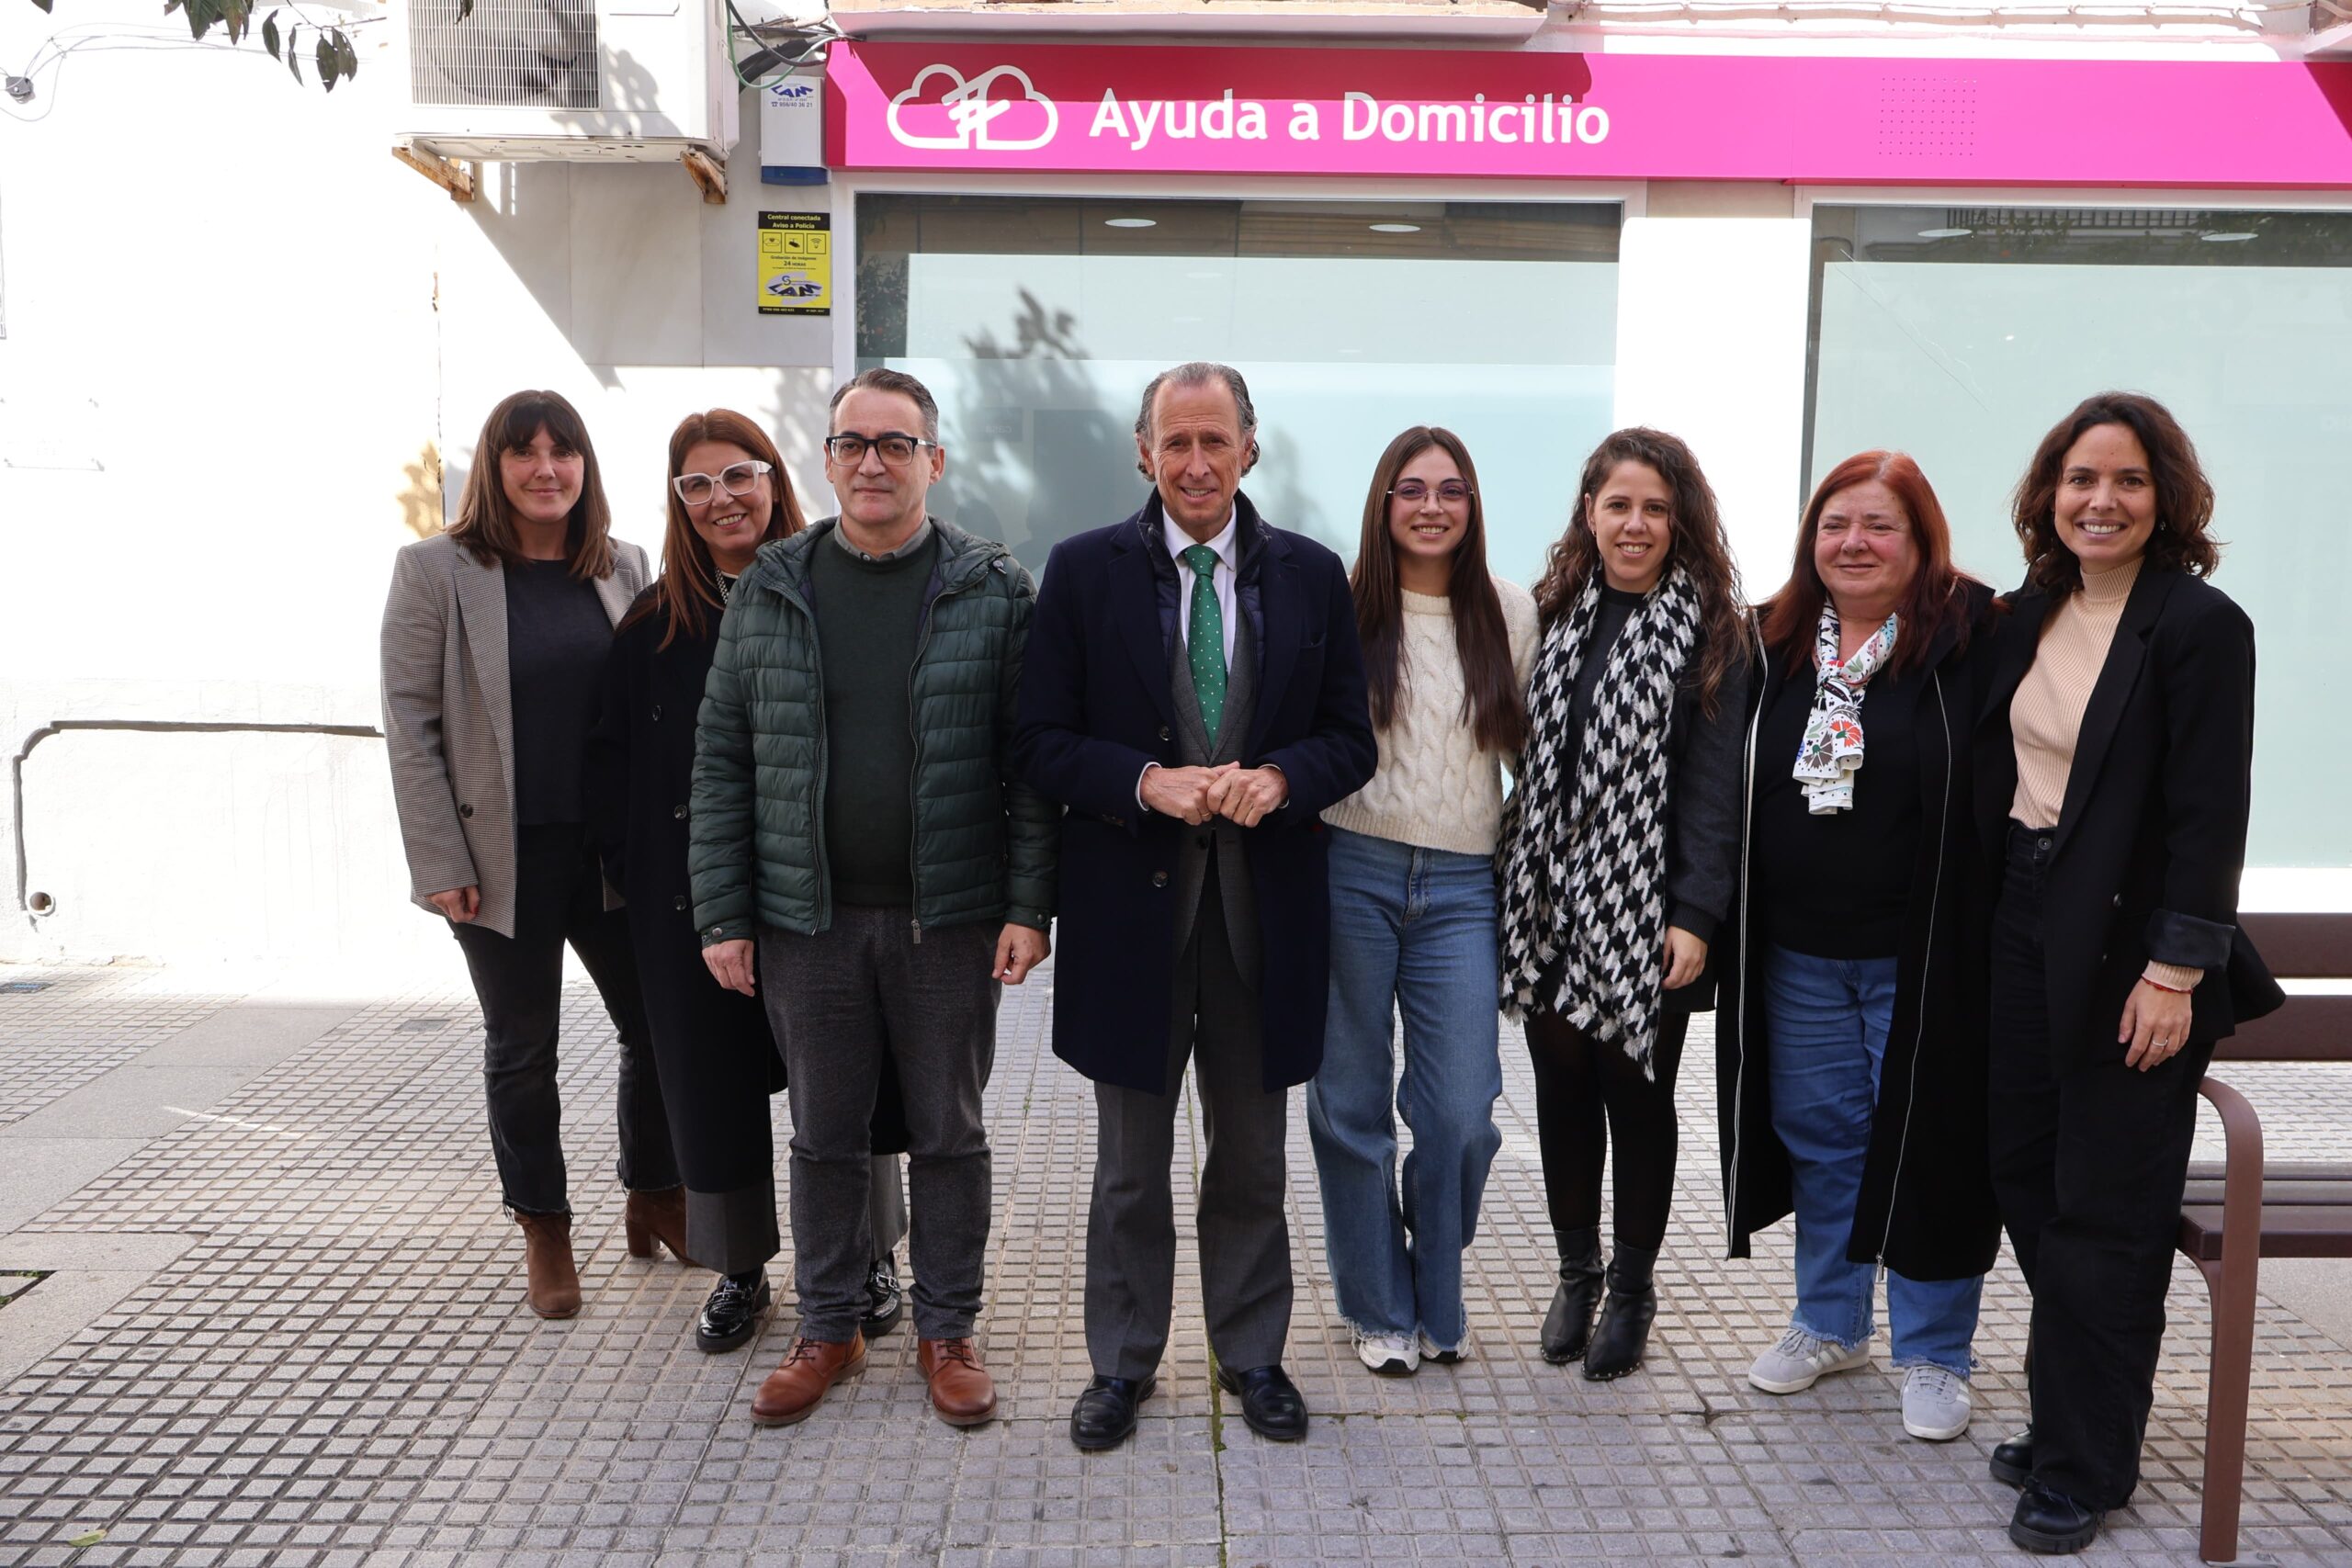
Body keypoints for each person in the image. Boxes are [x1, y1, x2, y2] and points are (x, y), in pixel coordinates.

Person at [1014, 361, 1376, 1452]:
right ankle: (1122, 1364)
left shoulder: (1312, 575)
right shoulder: (1082, 572)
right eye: (1175, 441)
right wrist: (1141, 782)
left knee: (1252, 1159)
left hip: (1263, 920)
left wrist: (1283, 778)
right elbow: (1037, 741)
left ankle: (1252, 1354)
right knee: (1130, 1167)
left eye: (1215, 440)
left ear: (1248, 449)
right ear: (1143, 453)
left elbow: (1349, 739)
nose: (1196, 462)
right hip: (1132, 920)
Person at [689, 368, 1056, 1430]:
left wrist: (1028, 906)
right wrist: (723, 913)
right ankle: (829, 1326)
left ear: (934, 461)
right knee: (823, 1137)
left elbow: (1028, 767)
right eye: (853, 443)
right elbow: (721, 761)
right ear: (827, 460)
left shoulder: (993, 591)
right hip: (806, 921)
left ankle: (947, 1329)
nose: (872, 462)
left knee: (948, 1133)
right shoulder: (770, 588)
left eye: (896, 444)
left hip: (950, 917)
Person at [1975, 392, 2279, 1554]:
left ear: (2167, 500)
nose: (2100, 501)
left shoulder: (2199, 625)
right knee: (2023, 1175)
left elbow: (2209, 815)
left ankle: (2082, 1463)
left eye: (2128, 481)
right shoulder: (2027, 613)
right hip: (2020, 918)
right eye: (2080, 480)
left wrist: (2174, 970)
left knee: (2106, 1209)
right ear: (2048, 496)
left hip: (2130, 949)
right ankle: (2081, 1408)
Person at [586, 408, 913, 1354]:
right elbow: (609, 771)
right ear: (678, 503)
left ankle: (869, 1254)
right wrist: (645, 880)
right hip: (694, 905)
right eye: (696, 484)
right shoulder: (651, 628)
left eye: (738, 474)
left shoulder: (837, 591)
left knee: (852, 1084)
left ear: (774, 479)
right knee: (711, 1087)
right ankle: (738, 1266)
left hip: (827, 896)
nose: (720, 498)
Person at [1713, 452, 2000, 1443]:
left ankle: (1935, 1352)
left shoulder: (1972, 640)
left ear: (1921, 540)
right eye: (1835, 524)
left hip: (1924, 957)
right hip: (1797, 956)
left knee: (1928, 1146)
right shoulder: (1771, 643)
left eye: (1880, 525)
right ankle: (1831, 1324)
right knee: (1825, 1141)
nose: (1854, 543)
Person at [380, 389, 685, 1320]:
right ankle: (544, 1225)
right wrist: (439, 858)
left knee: (657, 1027)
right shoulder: (436, 570)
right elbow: (409, 722)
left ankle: (655, 1193)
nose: (546, 468)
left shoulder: (623, 564)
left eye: (564, 451)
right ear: (496, 466)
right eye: (525, 452)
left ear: (585, 465)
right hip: (498, 856)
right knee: (524, 1047)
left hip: (612, 853)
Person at [1495, 426, 1748, 1382]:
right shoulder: (1554, 609)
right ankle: (1577, 1272)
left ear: (1679, 520)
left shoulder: (1714, 633)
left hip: (1648, 906)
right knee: (1560, 1090)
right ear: (1589, 513)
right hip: (1547, 896)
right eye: (1618, 505)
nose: (1635, 524)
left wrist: (1695, 916)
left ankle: (1633, 1289)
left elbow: (1714, 789)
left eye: (1654, 508)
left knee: (1634, 1096)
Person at [1307, 426, 1536, 1377]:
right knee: (1350, 1102)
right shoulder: (1338, 603)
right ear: (1383, 503)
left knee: (1460, 1113)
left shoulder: (1510, 611)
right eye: (1412, 489)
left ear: (1472, 505)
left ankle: (1436, 1286)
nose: (1432, 506)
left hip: (1461, 885)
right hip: (1348, 865)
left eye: (1450, 490)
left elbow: (1531, 755)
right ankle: (1378, 1303)